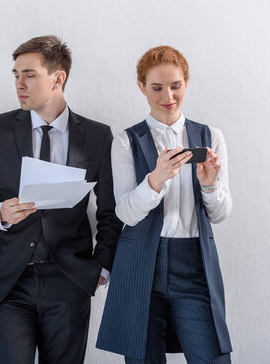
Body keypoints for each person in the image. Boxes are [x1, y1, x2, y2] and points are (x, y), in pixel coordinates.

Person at [0, 35, 123, 364]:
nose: (19, 84)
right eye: (16, 75)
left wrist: (101, 266)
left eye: (29, 75)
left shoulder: (97, 136)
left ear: (58, 77)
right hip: (8, 281)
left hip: (69, 282)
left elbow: (111, 211)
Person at [96, 45, 232, 363]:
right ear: (141, 87)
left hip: (194, 263)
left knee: (213, 356)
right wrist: (156, 179)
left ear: (186, 83)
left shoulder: (211, 137)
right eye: (156, 87)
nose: (167, 96)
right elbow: (126, 212)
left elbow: (221, 214)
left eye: (175, 86)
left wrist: (209, 184)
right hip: (141, 261)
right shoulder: (126, 141)